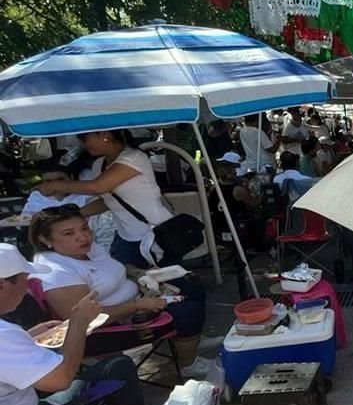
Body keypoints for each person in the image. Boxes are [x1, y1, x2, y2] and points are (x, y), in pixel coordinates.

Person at [0, 245, 149, 405]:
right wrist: (78, 321)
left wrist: (28, 337)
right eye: (23, 279)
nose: (28, 286)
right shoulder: (3, 336)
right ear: (2, 285)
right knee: (117, 367)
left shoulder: (6, 336)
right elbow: (61, 379)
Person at [29, 206, 212, 377]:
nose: (82, 237)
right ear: (45, 240)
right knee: (187, 312)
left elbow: (109, 268)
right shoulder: (55, 271)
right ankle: (187, 363)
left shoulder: (87, 249)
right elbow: (84, 320)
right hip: (108, 329)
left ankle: (189, 340)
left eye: (85, 228)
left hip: (137, 301)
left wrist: (136, 273)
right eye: (68, 233)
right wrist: (136, 306)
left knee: (190, 286)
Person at [37, 130, 175, 269]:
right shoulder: (99, 165)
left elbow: (98, 187)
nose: (82, 143)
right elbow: (107, 201)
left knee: (169, 281)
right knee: (126, 279)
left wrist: (54, 185)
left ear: (105, 135)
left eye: (84, 138)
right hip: (125, 236)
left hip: (154, 234)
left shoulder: (133, 158)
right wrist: (76, 215)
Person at [22, 165, 91, 216]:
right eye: (49, 181)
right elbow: (24, 219)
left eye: (60, 180)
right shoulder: (37, 196)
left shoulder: (86, 193)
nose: (56, 185)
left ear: (71, 177)